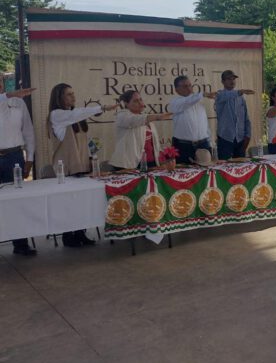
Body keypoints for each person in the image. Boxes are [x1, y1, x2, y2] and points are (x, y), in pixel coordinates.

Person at [48, 83, 118, 247]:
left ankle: (80, 233)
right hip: (66, 167)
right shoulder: (57, 115)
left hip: (81, 164)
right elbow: (80, 113)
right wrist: (103, 107)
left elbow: (84, 140)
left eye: (73, 93)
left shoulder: (75, 116)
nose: (73, 97)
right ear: (59, 98)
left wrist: (92, 156)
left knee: (81, 201)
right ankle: (68, 235)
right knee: (69, 203)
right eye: (68, 94)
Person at [0, 86, 37, 255]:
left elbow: (28, 130)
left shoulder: (18, 102)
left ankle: (20, 244)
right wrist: (7, 95)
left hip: (14, 156)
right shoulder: (9, 97)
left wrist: (29, 158)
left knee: (16, 201)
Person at [110, 90, 172, 170]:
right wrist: (158, 117)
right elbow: (134, 120)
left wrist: (161, 159)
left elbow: (154, 144)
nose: (140, 103)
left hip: (149, 164)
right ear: (126, 103)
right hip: (128, 165)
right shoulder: (122, 116)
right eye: (136, 101)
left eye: (140, 99)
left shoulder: (146, 118)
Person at [168, 75, 212, 164]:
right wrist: (202, 94)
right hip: (184, 146)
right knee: (184, 173)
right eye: (185, 86)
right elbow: (187, 101)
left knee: (205, 174)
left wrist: (210, 141)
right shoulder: (175, 102)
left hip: (203, 144)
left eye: (190, 85)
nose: (189, 88)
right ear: (176, 90)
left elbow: (204, 123)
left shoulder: (199, 101)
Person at [214, 70, 254, 160]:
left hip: (240, 139)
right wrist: (240, 92)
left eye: (233, 79)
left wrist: (248, 135)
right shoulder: (220, 94)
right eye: (229, 79)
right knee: (225, 169)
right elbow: (226, 95)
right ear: (223, 82)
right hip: (225, 139)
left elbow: (246, 118)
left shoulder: (241, 98)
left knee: (240, 169)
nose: (232, 81)